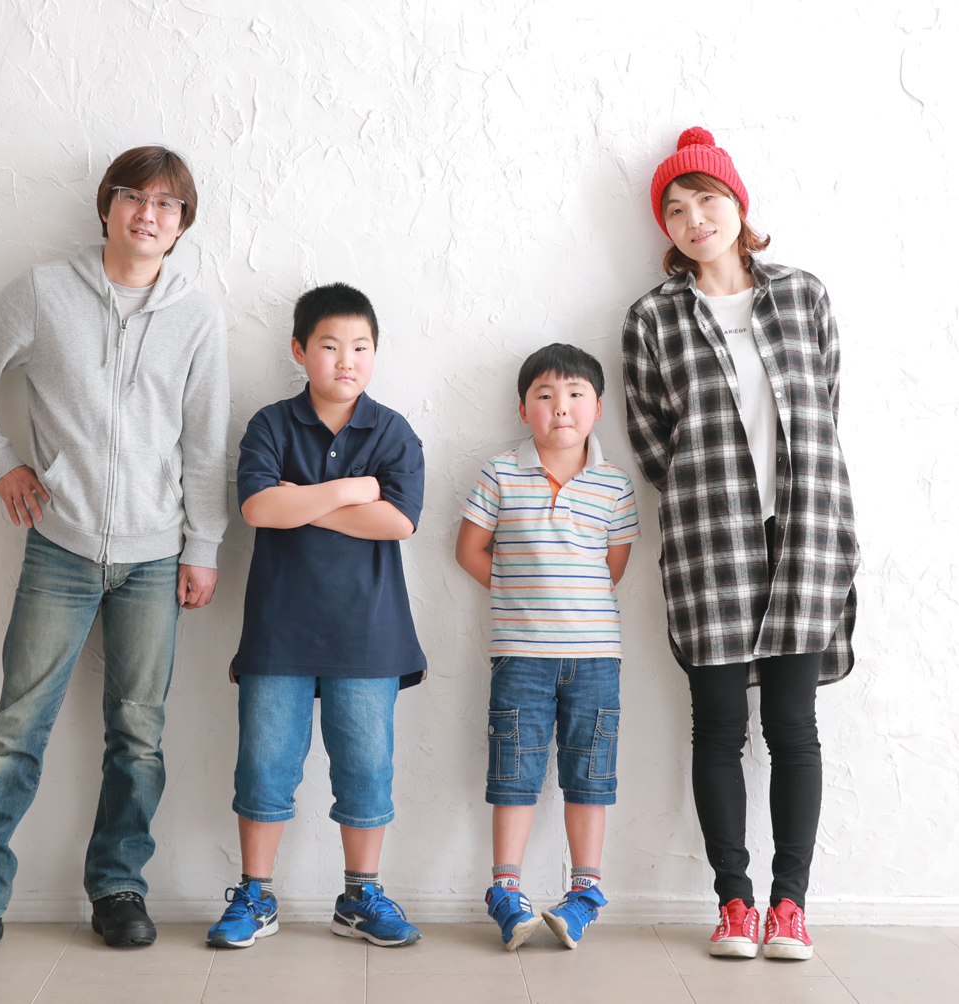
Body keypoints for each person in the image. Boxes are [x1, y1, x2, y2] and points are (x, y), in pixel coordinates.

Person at [0, 146, 230, 959]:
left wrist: (202, 545)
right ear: (106, 206)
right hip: (59, 546)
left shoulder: (197, 316)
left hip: (155, 557)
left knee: (138, 736)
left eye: (166, 205)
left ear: (181, 225)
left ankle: (118, 887)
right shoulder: (43, 291)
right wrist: (2, 463)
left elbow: (205, 443)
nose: (147, 214)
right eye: (133, 196)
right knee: (14, 730)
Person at [622, 127, 859, 961]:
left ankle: (789, 906)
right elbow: (650, 437)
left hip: (804, 531)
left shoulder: (802, 295)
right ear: (665, 227)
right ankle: (733, 903)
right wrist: (708, 490)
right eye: (675, 210)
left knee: (792, 725)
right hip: (707, 536)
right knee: (717, 725)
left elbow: (824, 402)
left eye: (707, 200)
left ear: (737, 205)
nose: (694, 220)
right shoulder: (652, 317)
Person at [206, 283, 427, 950]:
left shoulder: (392, 431)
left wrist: (302, 501)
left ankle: (360, 896)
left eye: (361, 347)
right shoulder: (271, 425)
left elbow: (398, 521)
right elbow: (258, 508)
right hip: (279, 631)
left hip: (370, 634)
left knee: (366, 770)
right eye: (330, 346)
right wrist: (350, 491)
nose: (346, 360)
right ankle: (255, 895)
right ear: (300, 351)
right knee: (264, 767)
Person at [455, 343, 639, 951]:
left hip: (596, 659)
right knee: (514, 773)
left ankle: (584, 894)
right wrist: (522, 593)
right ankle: (505, 891)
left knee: (590, 776)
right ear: (523, 408)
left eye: (575, 395)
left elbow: (612, 567)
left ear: (598, 408)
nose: (561, 407)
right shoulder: (500, 473)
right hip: (519, 657)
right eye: (545, 395)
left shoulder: (614, 485)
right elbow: (469, 551)